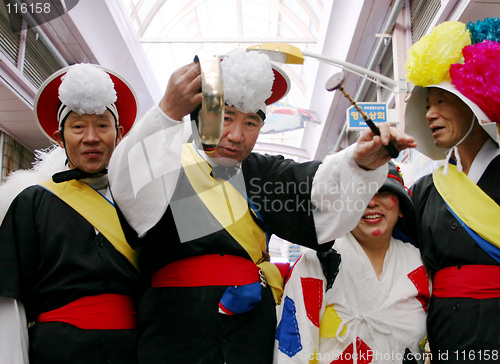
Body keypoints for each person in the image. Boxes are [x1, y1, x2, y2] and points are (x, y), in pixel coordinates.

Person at [108, 48, 416, 364]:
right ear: (204, 114)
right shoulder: (167, 161)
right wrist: (168, 112)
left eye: (251, 122)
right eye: (226, 117)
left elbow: (318, 188)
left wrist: (359, 164)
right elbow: (131, 192)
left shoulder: (262, 173)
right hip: (174, 322)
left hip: (250, 328)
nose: (237, 135)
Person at [0, 63, 142, 364]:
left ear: (118, 134)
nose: (91, 138)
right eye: (78, 127)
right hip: (57, 351)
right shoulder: (31, 203)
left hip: (135, 350)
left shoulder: (141, 201)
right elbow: (9, 302)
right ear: (59, 136)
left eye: (102, 126)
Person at [405, 18, 500, 363]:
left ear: (475, 103)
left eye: (443, 101)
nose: (430, 113)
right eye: (428, 104)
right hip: (446, 331)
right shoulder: (423, 190)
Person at [274, 161, 429, 364]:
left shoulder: (420, 264)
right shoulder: (318, 260)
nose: (372, 202)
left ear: (401, 207)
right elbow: (293, 346)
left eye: (383, 192)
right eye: (361, 193)